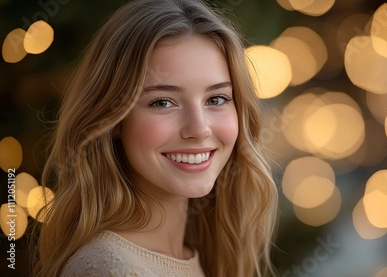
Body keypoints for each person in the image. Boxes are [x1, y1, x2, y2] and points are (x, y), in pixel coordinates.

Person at [34, 0, 278, 276]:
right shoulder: (109, 268)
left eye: (217, 98)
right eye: (163, 102)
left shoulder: (207, 257)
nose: (199, 129)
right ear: (112, 118)